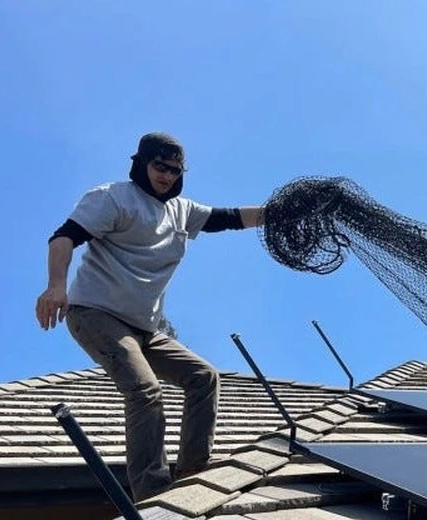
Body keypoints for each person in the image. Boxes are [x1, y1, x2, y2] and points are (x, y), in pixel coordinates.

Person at [36, 133, 265, 500]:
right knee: (145, 391)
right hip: (96, 314)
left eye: (175, 171)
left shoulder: (182, 211)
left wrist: (276, 214)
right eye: (160, 167)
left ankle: (191, 473)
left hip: (145, 328)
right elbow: (64, 237)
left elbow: (229, 218)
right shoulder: (113, 197)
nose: (167, 176)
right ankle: (152, 492)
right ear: (142, 164)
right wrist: (55, 286)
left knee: (204, 377)